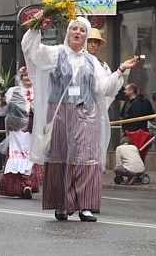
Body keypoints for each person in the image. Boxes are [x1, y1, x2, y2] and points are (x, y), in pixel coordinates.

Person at [22, 15, 138, 222]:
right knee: (61, 155)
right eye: (74, 29)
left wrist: (121, 70)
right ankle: (62, 204)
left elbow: (105, 88)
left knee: (87, 157)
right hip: (60, 113)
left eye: (82, 30)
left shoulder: (92, 61)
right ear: (68, 32)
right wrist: (35, 28)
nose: (78, 33)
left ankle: (85, 205)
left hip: (87, 114)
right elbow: (31, 52)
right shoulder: (55, 53)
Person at [0, 66, 43, 199]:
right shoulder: (12, 91)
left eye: (30, 76)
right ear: (21, 78)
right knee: (18, 157)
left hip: (32, 131)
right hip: (16, 132)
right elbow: (0, 112)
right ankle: (22, 186)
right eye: (25, 76)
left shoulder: (39, 92)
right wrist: (2, 103)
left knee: (31, 157)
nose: (27, 78)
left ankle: (27, 184)